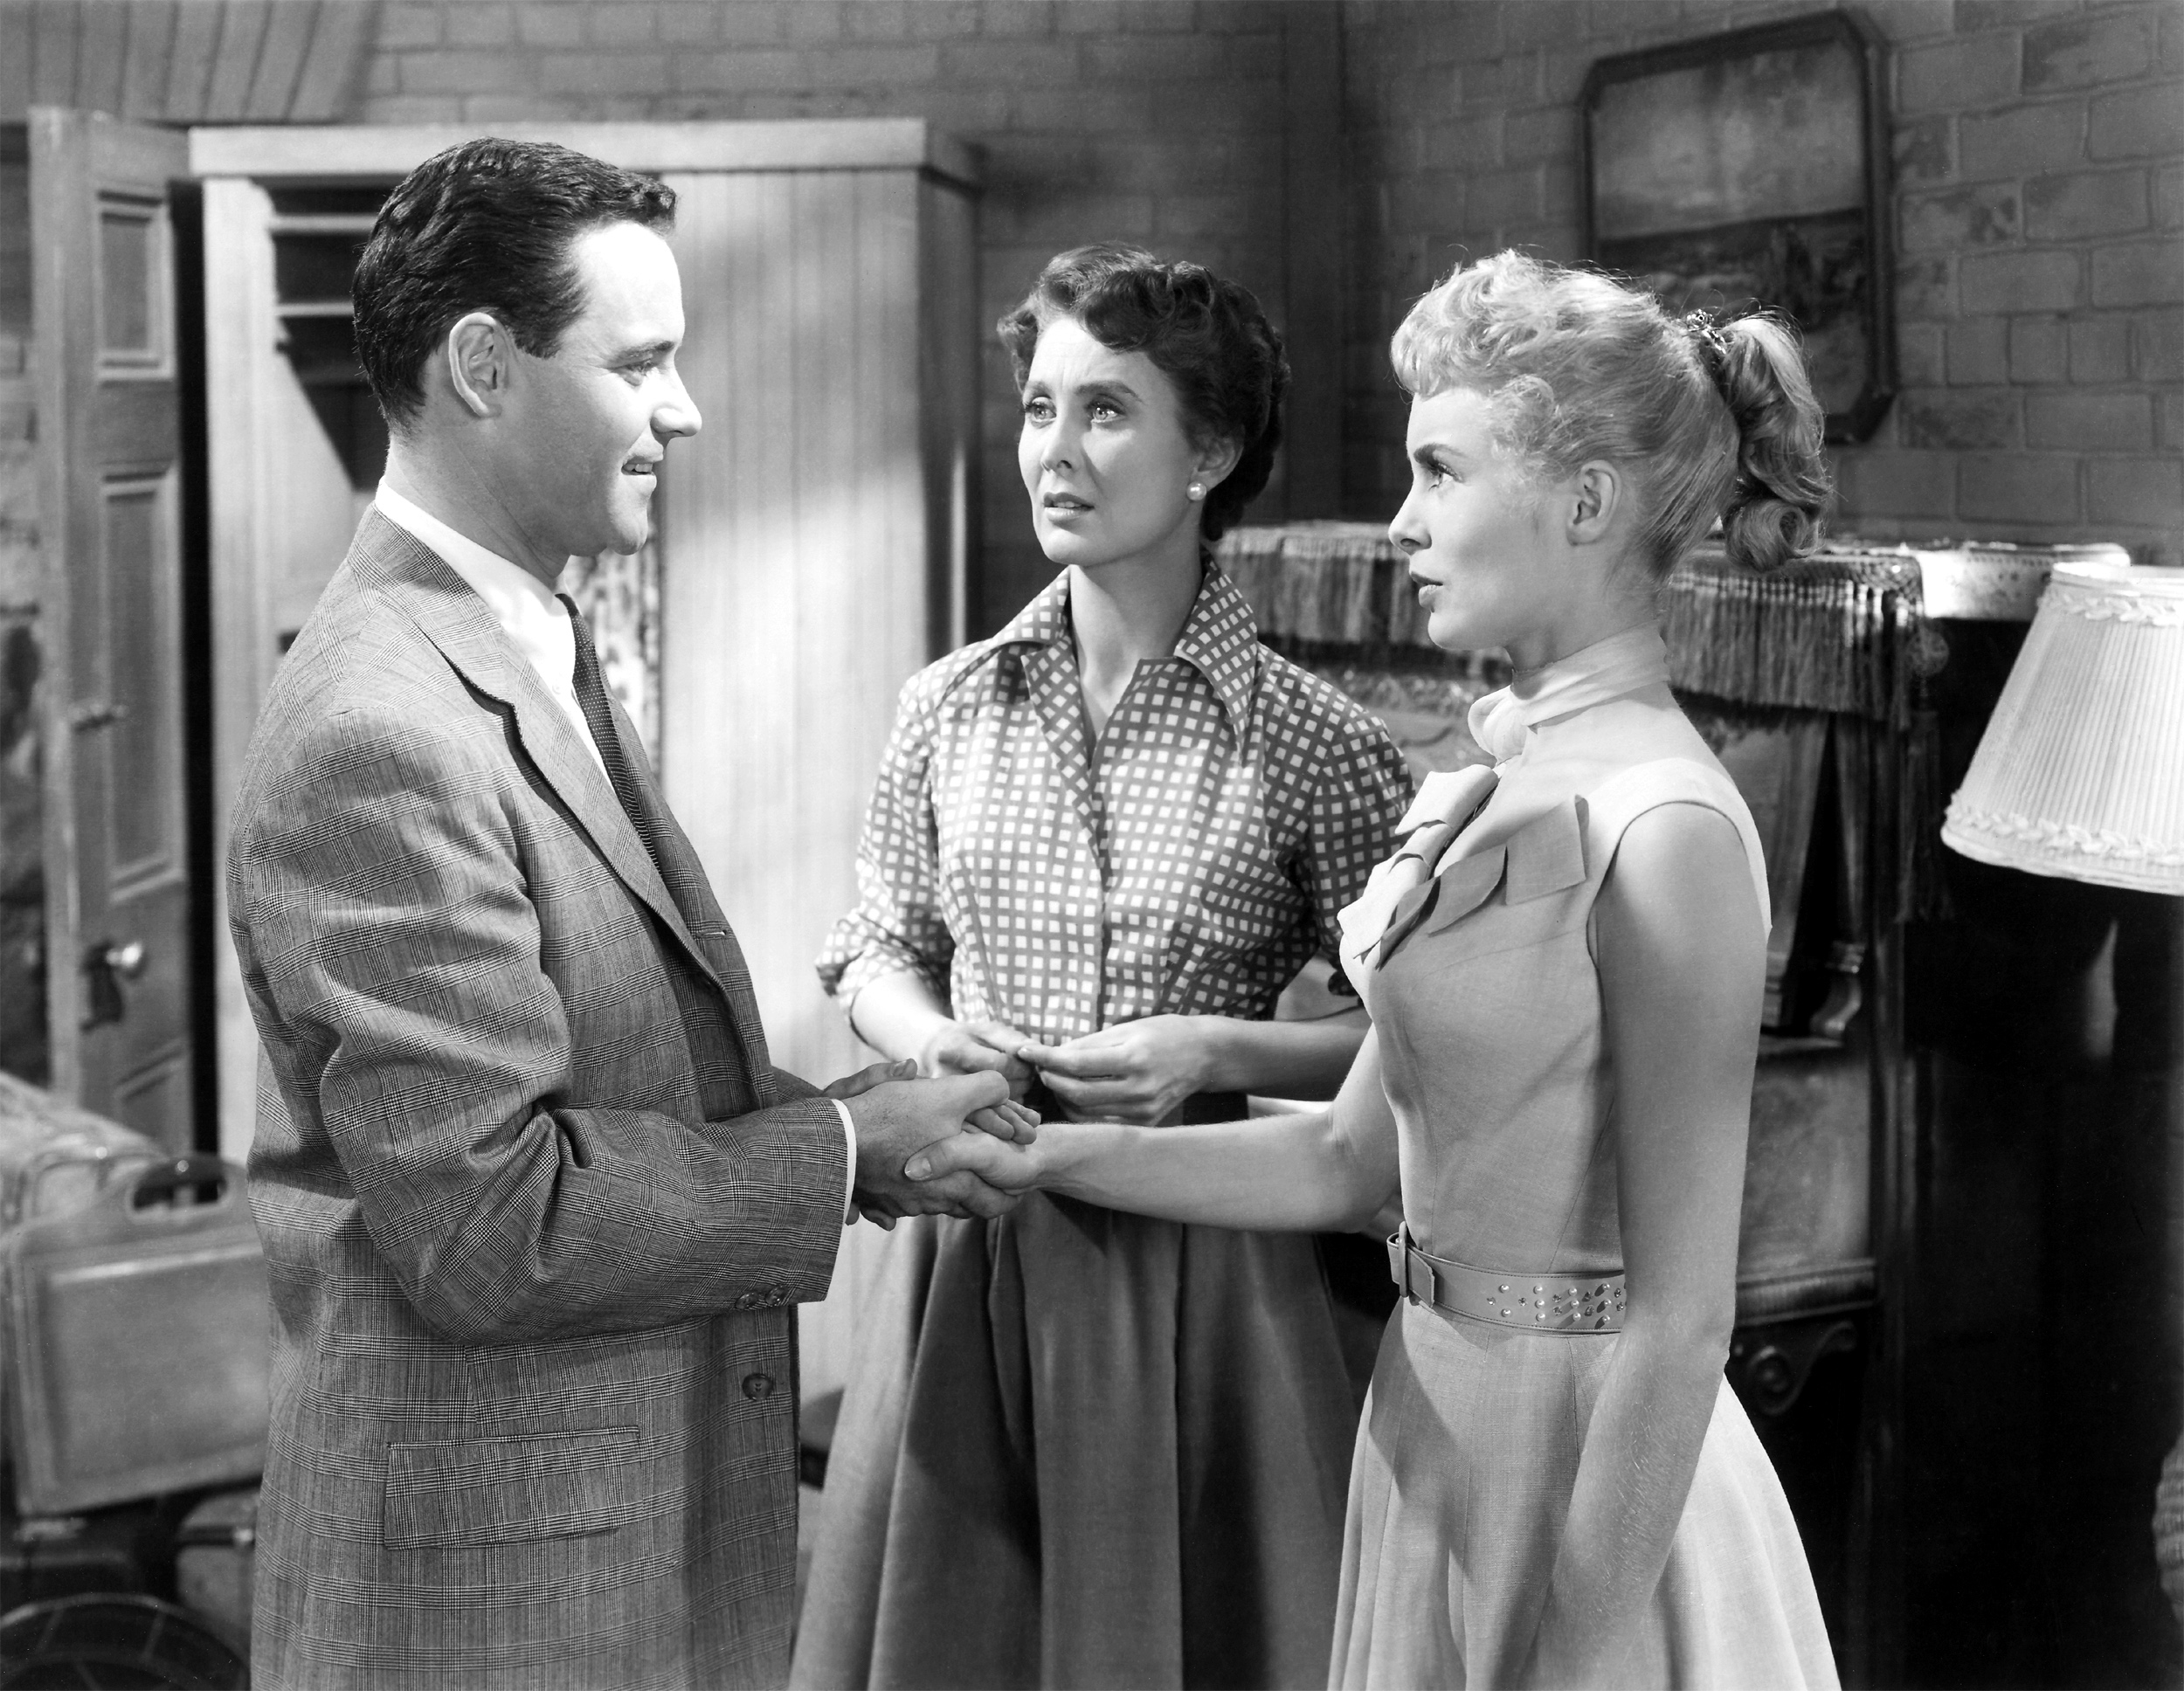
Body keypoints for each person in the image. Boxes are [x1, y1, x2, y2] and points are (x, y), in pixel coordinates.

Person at [909, 251, 1842, 1689]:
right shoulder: (1503, 774)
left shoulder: (1666, 826)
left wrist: (1576, 1657)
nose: (1402, 520)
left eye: (1440, 472)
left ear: (1585, 502)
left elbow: (1684, 1320)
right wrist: (1046, 1159)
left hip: (1589, 1477)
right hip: (1428, 1424)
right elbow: (1346, 1165)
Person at [226, 138, 1030, 1691]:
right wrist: (845, 1154)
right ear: (483, 367)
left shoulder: (518, 633)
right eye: (641, 363)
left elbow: (611, 1071)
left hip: (613, 1565)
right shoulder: (379, 724)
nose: (686, 409)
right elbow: (492, 1226)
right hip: (489, 1618)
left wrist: (861, 1115)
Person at [791, 245, 1413, 1690]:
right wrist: (929, 1037)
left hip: (1208, 1269)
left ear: (1211, 452)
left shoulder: (1318, 743)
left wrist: (1219, 1049)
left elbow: (1417, 1034)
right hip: (973, 1242)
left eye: (1107, 411)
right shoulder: (949, 704)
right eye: (1038, 407)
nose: (1053, 452)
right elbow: (875, 946)